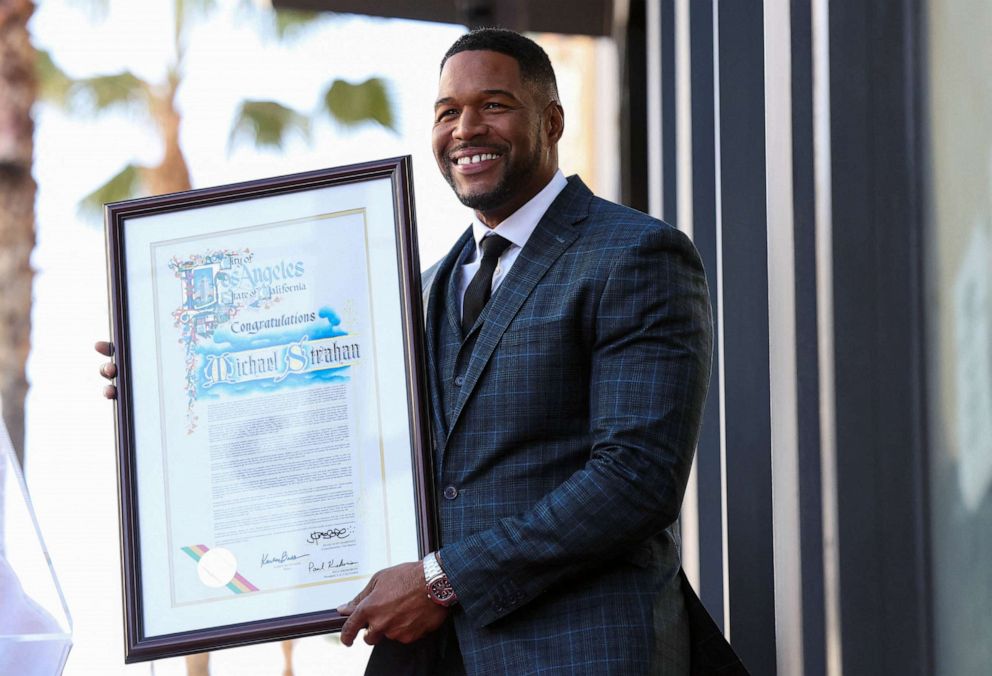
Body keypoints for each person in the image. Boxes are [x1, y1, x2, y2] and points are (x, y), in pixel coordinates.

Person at [100, 28, 740, 675]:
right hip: (425, 659)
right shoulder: (418, 289)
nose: (466, 128)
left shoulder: (634, 255)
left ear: (551, 120)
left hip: (578, 650)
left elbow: (634, 479)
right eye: (447, 112)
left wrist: (442, 580)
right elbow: (327, 432)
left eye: (493, 105)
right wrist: (166, 375)